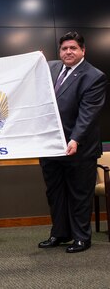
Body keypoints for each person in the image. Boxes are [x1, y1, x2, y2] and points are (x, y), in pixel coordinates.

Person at [39, 31, 107, 253]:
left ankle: (81, 238)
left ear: (83, 51)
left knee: (79, 194)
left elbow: (88, 114)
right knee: (55, 193)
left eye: (73, 48)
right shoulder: (51, 67)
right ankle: (60, 233)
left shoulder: (94, 76)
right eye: (64, 49)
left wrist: (75, 138)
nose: (68, 52)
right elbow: (33, 69)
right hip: (51, 146)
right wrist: (34, 60)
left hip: (80, 148)